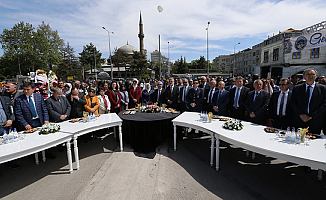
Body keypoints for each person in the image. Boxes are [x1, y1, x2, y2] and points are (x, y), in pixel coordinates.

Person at [291, 68, 326, 134]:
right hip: (299, 120)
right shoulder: (297, 88)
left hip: (315, 122)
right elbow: (293, 102)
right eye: (308, 74)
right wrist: (301, 114)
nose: (310, 76)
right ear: (303, 76)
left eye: (313, 74)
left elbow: (324, 105)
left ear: (316, 76)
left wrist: (312, 116)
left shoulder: (323, 89)